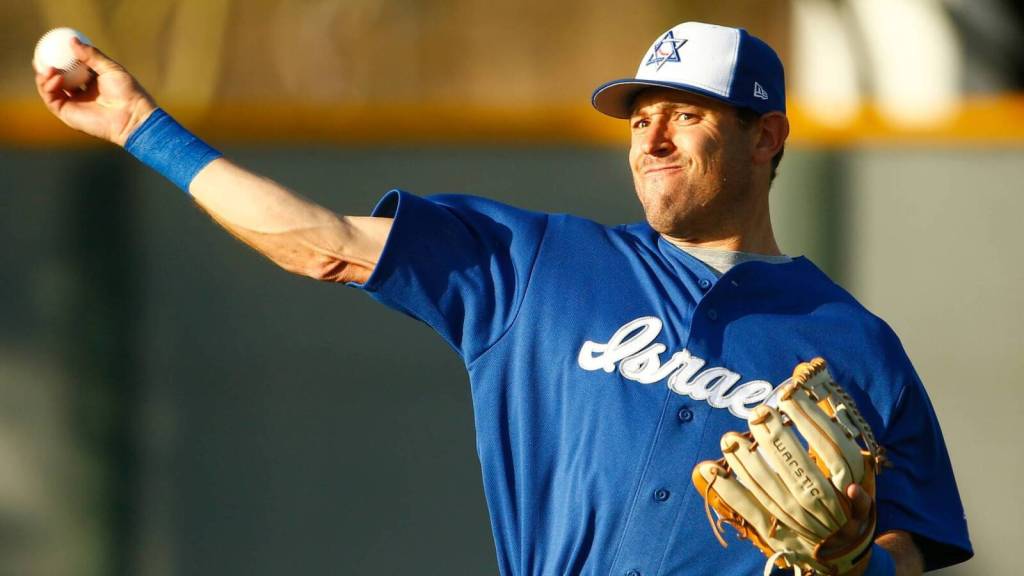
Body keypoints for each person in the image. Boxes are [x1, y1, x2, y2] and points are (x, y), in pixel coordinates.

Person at [35, 20, 971, 576]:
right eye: (640, 119)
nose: (651, 140)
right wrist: (141, 126)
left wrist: (860, 566)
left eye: (686, 116)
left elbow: (915, 540)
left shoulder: (855, 343)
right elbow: (318, 242)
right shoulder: (540, 264)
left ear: (766, 138)